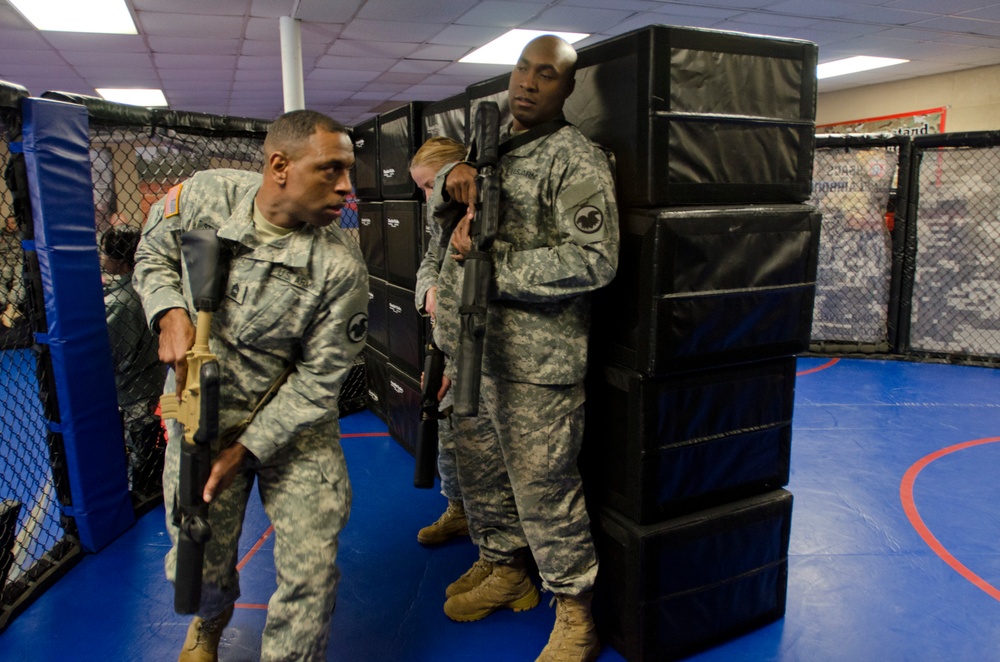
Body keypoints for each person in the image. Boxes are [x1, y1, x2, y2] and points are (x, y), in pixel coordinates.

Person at [133, 110, 369, 662]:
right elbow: (153, 253)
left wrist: (247, 449)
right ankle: (210, 624)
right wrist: (168, 310)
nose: (346, 186)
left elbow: (319, 382)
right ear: (280, 166)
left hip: (294, 426)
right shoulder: (205, 196)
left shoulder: (339, 264)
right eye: (331, 169)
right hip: (200, 419)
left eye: (349, 170)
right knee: (196, 567)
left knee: (312, 568)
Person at [431, 35, 619, 662]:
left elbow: (596, 260)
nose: (528, 83)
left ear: (567, 89)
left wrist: (493, 265)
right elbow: (443, 203)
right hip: (475, 349)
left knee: (545, 488)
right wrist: (450, 180)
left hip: (537, 364)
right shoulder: (490, 148)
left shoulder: (577, 160)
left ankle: (574, 612)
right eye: (521, 70)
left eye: (546, 75)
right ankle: (505, 567)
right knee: (482, 471)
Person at [409, 136, 472, 546]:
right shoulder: (443, 223)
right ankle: (458, 510)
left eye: (433, 186)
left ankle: (494, 539)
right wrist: (429, 289)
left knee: (479, 450)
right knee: (445, 433)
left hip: (478, 351)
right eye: (423, 190)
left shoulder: (481, 215)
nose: (429, 197)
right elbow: (430, 261)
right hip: (446, 346)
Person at [100, 226, 164, 494]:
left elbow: (114, 353)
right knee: (144, 432)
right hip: (151, 376)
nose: (101, 258)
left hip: (132, 385)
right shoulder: (146, 286)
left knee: (139, 439)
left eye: (105, 252)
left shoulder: (121, 301)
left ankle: (143, 488)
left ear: (119, 259)